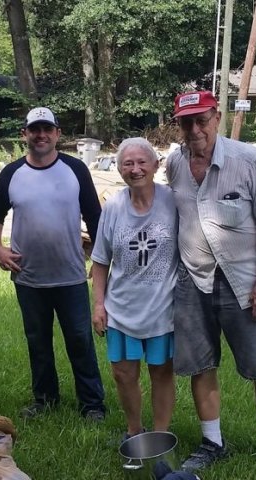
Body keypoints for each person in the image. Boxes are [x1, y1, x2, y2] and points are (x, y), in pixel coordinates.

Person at [165, 91, 256, 478]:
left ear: (216, 117)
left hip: (242, 279)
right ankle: (212, 442)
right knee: (200, 365)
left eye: (201, 119)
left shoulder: (247, 160)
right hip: (193, 279)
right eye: (186, 122)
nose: (194, 129)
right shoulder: (175, 163)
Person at [0, 107, 105, 420]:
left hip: (70, 276)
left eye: (47, 129)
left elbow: (95, 217)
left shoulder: (75, 169)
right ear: (25, 133)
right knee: (38, 342)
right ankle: (45, 399)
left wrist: (103, 260)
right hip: (28, 278)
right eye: (34, 129)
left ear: (57, 134)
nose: (41, 135)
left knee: (79, 340)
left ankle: (92, 404)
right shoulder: (12, 173)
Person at [91, 137, 178, 441]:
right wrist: (98, 305)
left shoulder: (173, 200)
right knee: (123, 374)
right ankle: (134, 430)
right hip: (122, 308)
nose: (136, 169)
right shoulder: (113, 207)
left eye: (142, 162)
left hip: (163, 308)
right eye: (128, 163)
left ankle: (160, 434)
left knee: (161, 373)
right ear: (119, 169)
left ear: (156, 165)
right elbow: (100, 262)